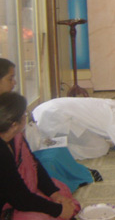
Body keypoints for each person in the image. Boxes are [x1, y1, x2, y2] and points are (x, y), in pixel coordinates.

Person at [0, 91, 79, 220]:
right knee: (40, 216)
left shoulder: (16, 137)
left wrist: (55, 195)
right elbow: (20, 199)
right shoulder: (2, 153)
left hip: (21, 194)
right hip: (9, 204)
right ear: (14, 125)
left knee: (60, 191)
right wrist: (58, 210)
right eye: (24, 115)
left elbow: (34, 164)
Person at [32, 98, 115, 161]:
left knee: (100, 142)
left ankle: (50, 143)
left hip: (49, 107)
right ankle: (47, 148)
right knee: (100, 148)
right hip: (53, 118)